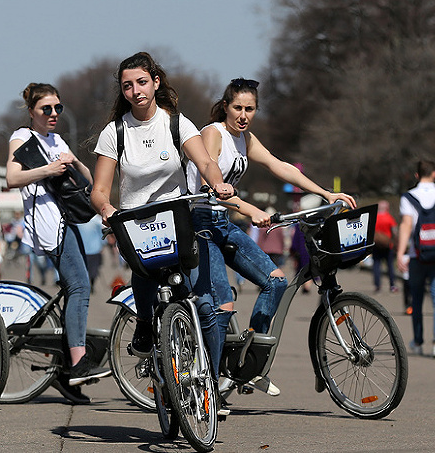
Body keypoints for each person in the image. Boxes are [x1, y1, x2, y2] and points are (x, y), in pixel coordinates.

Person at [187, 77, 356, 394]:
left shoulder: (246, 139)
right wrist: (250, 209)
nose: (243, 115)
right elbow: (211, 181)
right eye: (237, 107)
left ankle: (247, 362)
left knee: (276, 280)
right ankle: (206, 385)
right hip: (199, 223)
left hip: (223, 223)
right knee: (222, 303)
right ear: (225, 107)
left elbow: (281, 167)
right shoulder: (213, 133)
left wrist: (326, 194)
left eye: (250, 109)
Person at [90, 52, 233, 394]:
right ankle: (143, 322)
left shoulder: (176, 123)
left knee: (202, 304)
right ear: (122, 91)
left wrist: (218, 183)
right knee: (144, 273)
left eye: (142, 82)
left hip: (176, 218)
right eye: (128, 86)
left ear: (155, 83)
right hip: (135, 222)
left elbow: (205, 162)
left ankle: (210, 381)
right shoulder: (115, 132)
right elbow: (98, 190)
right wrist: (107, 209)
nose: (136, 91)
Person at [6, 82, 110, 403]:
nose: (53, 114)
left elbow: (90, 182)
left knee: (73, 289)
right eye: (46, 109)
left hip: (69, 220)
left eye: (58, 108)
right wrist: (47, 169)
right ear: (32, 112)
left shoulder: (58, 139)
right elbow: (11, 178)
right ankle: (78, 363)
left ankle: (64, 371)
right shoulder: (23, 138)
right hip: (48, 225)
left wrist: (74, 162)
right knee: (79, 287)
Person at [396, 159, 435, 357]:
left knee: (417, 299)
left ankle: (418, 341)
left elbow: (406, 226)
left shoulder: (409, 197)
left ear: (417, 175)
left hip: (417, 255)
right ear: (434, 174)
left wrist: (400, 252)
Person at [372, 200, 399, 293]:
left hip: (376, 245)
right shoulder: (389, 218)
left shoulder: (374, 218)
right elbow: (395, 232)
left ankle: (377, 286)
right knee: (390, 266)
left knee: (376, 265)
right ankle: (392, 285)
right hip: (388, 246)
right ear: (387, 208)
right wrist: (396, 244)